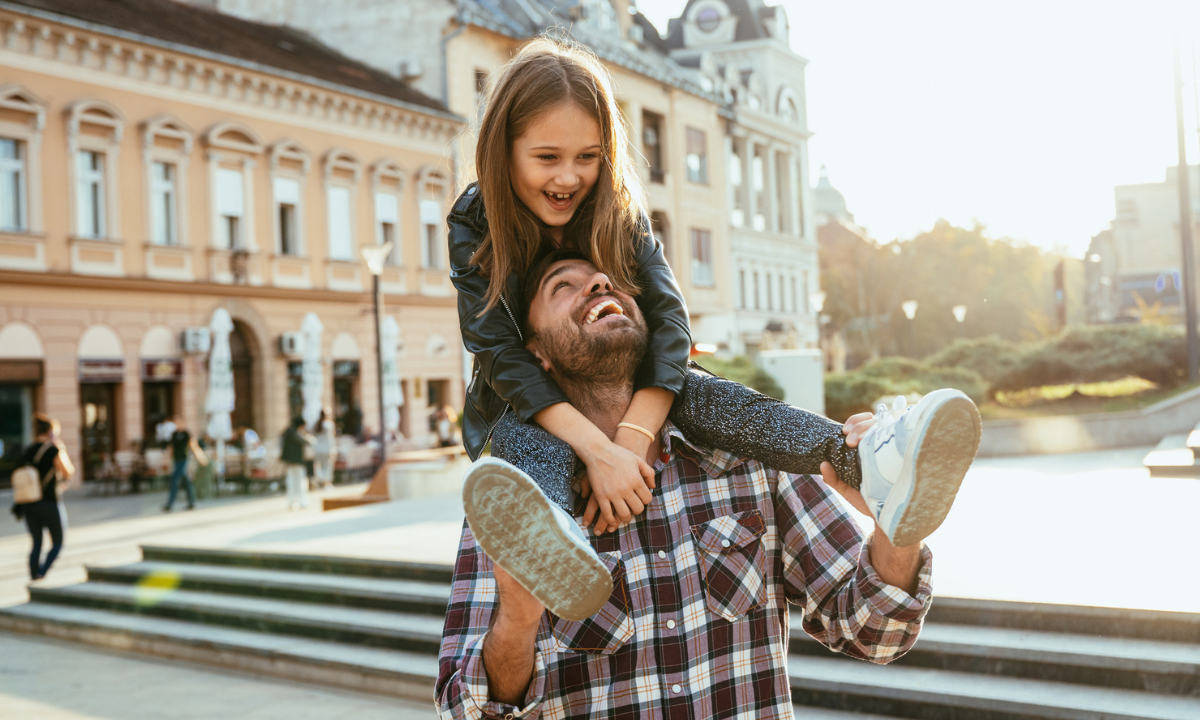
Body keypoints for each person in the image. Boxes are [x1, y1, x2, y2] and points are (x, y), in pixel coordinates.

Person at [449, 36, 980, 618]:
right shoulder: (474, 224)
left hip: (649, 377)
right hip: (521, 395)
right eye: (547, 158)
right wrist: (596, 454)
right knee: (527, 447)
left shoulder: (618, 209)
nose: (570, 177)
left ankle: (868, 462)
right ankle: (551, 544)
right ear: (504, 152)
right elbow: (498, 352)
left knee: (729, 404)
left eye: (589, 156)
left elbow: (670, 325)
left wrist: (630, 442)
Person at [437, 253, 941, 718]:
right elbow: (467, 712)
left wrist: (896, 528)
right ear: (534, 356)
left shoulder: (747, 458)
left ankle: (881, 473)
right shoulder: (516, 500)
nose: (597, 282)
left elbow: (876, 634)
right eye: (561, 286)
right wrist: (519, 623)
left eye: (607, 277)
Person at [12, 413, 75, 581]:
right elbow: (68, 471)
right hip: (49, 502)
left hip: (28, 503)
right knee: (58, 542)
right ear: (51, 432)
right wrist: (60, 447)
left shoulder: (27, 451)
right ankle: (42, 570)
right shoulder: (53, 450)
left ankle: (33, 573)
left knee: (36, 542)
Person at [163, 416, 208, 512]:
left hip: (185, 460)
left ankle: (170, 504)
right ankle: (191, 503)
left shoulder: (186, 433)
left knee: (174, 480)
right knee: (186, 481)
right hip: (177, 460)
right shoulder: (174, 434)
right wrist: (166, 460)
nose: (177, 425)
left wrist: (201, 457)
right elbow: (171, 448)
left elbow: (193, 446)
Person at [280, 416, 314, 510]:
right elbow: (304, 441)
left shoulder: (287, 431)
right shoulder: (294, 432)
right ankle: (301, 501)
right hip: (297, 460)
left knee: (291, 481)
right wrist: (308, 438)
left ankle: (292, 502)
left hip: (290, 461)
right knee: (300, 481)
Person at [313, 408, 336, 489]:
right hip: (326, 449)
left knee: (319, 466)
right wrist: (332, 450)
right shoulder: (328, 424)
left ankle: (321, 481)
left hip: (318, 449)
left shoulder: (316, 424)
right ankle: (326, 483)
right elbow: (330, 439)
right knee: (327, 466)